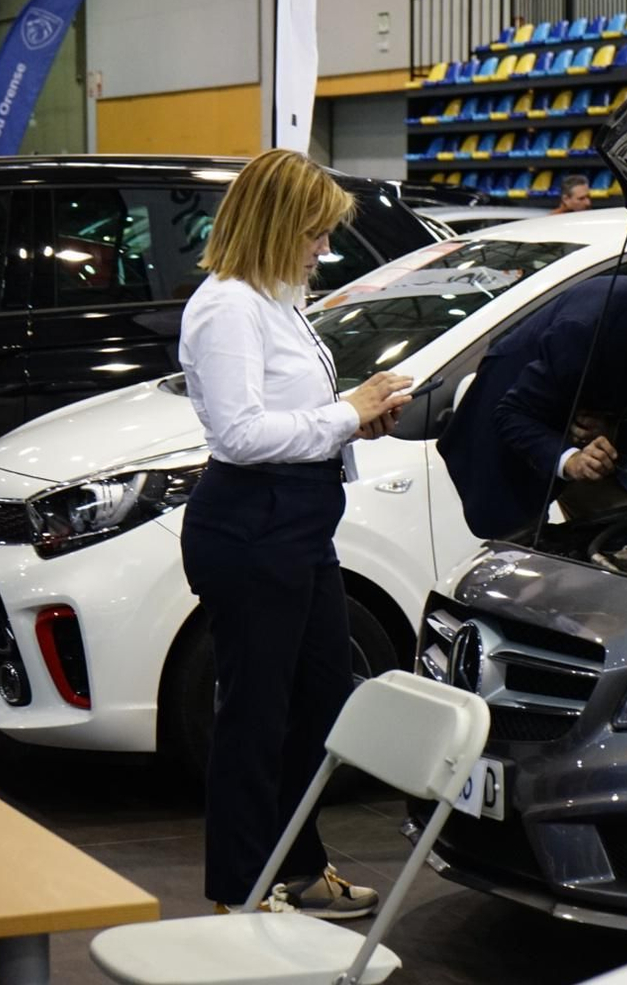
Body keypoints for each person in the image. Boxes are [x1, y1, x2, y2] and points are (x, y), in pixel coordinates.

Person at [178, 149, 413, 917]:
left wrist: (355, 421)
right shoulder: (227, 307)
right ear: (278, 225)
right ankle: (241, 889)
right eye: (315, 233)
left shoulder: (276, 302)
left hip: (298, 524)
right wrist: (348, 412)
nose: (322, 249)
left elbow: (289, 418)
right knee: (254, 714)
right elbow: (242, 433)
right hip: (254, 525)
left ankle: (297, 863)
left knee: (317, 703)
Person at [438, 275, 627, 539]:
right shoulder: (589, 329)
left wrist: (614, 434)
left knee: (625, 539)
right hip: (514, 420)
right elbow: (512, 414)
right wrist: (571, 460)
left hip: (595, 423)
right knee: (519, 549)